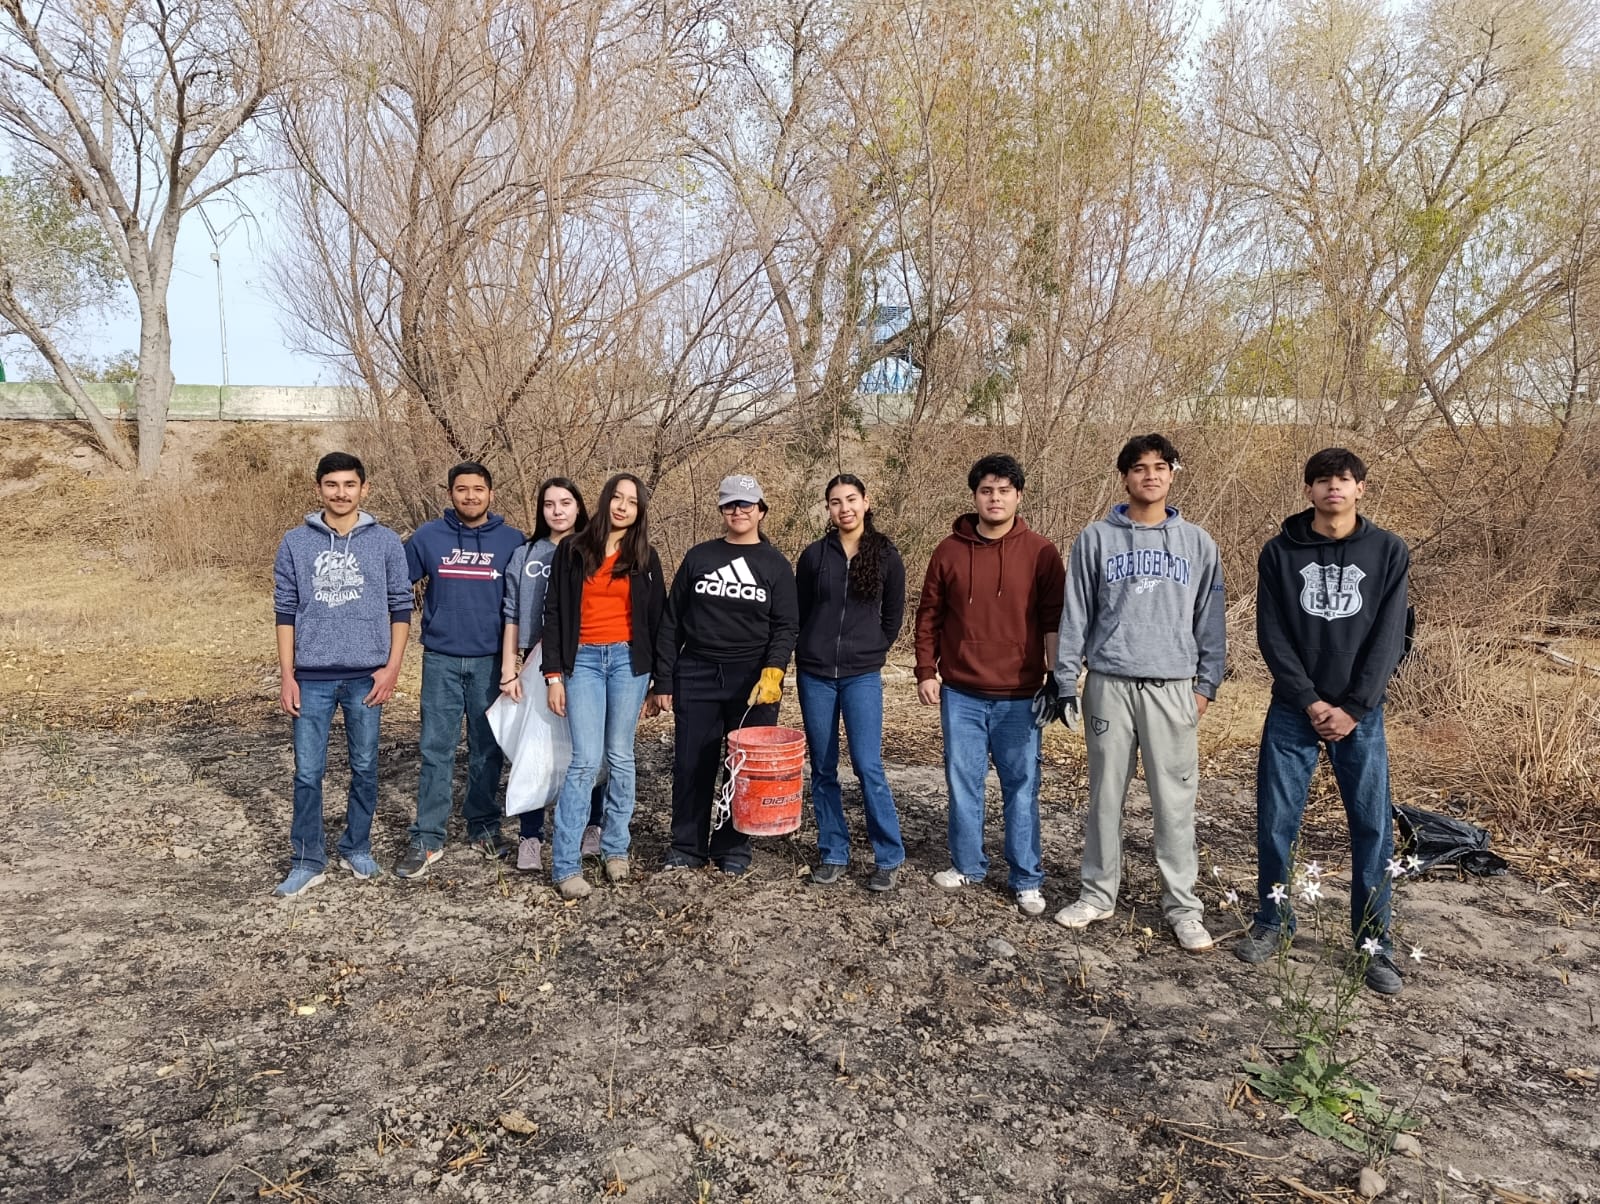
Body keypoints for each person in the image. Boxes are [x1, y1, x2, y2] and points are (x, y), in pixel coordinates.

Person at [1235, 448, 1411, 995]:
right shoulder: (1280, 553)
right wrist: (1309, 700)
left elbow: (1391, 637)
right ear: (1308, 490)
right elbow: (1272, 634)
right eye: (1322, 480)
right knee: (1276, 821)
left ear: (1361, 488)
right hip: (1294, 709)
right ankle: (1273, 921)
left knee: (1372, 827)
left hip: (1361, 715)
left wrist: (1355, 707)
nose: (1333, 488)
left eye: (1344, 479)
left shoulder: (1387, 551)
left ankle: (1372, 943)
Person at [1049, 434, 1226, 950]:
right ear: (1124, 476)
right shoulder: (1096, 539)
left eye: (1159, 467)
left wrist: (1206, 685)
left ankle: (1183, 907)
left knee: (1174, 803)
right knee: (1105, 797)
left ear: (1172, 474)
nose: (1150, 476)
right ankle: (1097, 894)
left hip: (1173, 688)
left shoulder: (1197, 543)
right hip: (1110, 684)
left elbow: (1209, 621)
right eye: (1139, 468)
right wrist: (1065, 680)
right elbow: (1075, 613)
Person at [914, 454, 1065, 916]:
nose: (994, 498)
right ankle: (967, 864)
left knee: (1022, 786)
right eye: (986, 490)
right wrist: (926, 671)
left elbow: (1054, 621)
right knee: (964, 783)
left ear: (1018, 496)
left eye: (1003, 490)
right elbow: (929, 617)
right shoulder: (948, 551)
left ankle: (1026, 879)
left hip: (1020, 695)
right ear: (974, 496)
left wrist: (1058, 679)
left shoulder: (1041, 552)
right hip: (960, 692)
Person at [271, 451, 412, 897]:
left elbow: (401, 606)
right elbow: (285, 610)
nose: (341, 493)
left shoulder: (386, 542)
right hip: (311, 676)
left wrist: (391, 668)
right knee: (308, 772)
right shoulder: (295, 542)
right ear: (319, 490)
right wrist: (287, 675)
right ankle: (308, 859)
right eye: (332, 485)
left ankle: (357, 845)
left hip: (366, 675)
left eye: (349, 484)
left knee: (365, 765)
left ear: (363, 489)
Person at [652, 474, 799, 876]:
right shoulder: (699, 557)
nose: (738, 511)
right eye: (731, 505)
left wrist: (774, 669)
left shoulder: (775, 564)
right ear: (722, 510)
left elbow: (787, 625)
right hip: (696, 672)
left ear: (761, 511)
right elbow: (671, 621)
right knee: (691, 764)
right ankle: (686, 846)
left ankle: (733, 847)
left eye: (746, 505)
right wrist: (663, 678)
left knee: (742, 767)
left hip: (752, 680)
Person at [394, 462, 525, 878]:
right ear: (450, 493)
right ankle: (428, 837)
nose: (470, 496)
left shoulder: (512, 541)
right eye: (462, 489)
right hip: (442, 659)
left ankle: (483, 828)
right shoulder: (428, 537)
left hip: (491, 663)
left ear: (491, 493)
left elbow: (525, 603)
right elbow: (393, 584)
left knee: (487, 749)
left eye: (478, 489)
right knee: (436, 750)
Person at [541, 473, 666, 897]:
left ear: (640, 510)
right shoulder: (574, 551)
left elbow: (661, 623)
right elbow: (554, 612)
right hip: (585, 662)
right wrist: (553, 674)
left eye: (632, 501)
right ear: (605, 500)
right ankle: (565, 865)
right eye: (617, 497)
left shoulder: (646, 558)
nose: (623, 506)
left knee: (621, 757)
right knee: (585, 762)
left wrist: (660, 680)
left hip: (628, 664)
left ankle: (616, 850)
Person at [794, 474, 907, 891]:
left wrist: (875, 647)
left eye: (852, 499)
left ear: (866, 502)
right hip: (815, 674)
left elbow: (894, 613)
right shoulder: (813, 556)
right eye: (836, 502)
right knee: (823, 767)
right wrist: (806, 649)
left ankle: (888, 855)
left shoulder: (885, 554)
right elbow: (799, 611)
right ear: (827, 509)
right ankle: (834, 851)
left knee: (867, 764)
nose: (844, 508)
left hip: (861, 675)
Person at [498, 477, 605, 872]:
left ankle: (590, 828)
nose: (557, 510)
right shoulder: (526, 553)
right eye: (548, 504)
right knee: (536, 752)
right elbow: (511, 612)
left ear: (579, 507)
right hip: (535, 659)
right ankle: (530, 836)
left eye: (565, 502)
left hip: (588, 657)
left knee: (588, 748)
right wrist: (509, 667)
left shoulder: (594, 551)